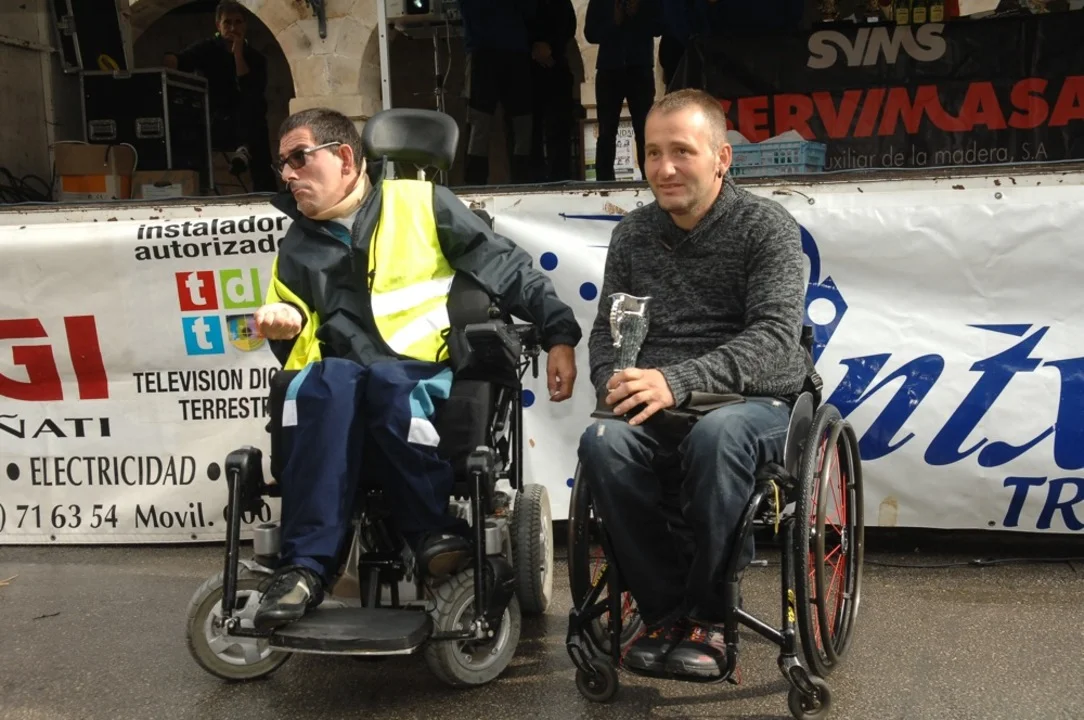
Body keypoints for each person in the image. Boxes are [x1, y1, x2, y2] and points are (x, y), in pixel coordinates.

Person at [251, 107, 581, 629]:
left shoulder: (421, 203)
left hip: (415, 366)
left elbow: (507, 267)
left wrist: (558, 331)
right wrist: (285, 324)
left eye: (298, 158)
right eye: (282, 164)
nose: (287, 174)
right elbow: (295, 339)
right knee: (324, 385)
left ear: (343, 157)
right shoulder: (297, 243)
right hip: (338, 378)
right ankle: (306, 568)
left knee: (386, 385)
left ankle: (431, 532)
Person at [577, 89, 808, 678]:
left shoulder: (766, 228)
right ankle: (662, 612)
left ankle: (710, 617)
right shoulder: (634, 234)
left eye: (682, 151)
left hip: (755, 400)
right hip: (658, 398)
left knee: (717, 437)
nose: (665, 168)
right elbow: (607, 331)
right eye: (653, 153)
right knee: (602, 442)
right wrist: (613, 378)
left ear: (721, 158)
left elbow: (775, 336)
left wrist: (675, 380)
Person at [165, 0, 277, 192]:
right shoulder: (207, 48)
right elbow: (182, 61)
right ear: (218, 25)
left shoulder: (257, 58)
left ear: (245, 25)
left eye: (238, 22)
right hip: (214, 122)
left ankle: (264, 189)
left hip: (248, 122)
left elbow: (250, 87)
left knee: (254, 113)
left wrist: (238, 53)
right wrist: (169, 60)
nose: (233, 28)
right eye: (228, 22)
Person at [458, 0, 537, 185]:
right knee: (479, 121)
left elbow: (530, 10)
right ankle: (475, 183)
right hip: (483, 52)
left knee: (522, 121)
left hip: (514, 51)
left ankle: (522, 179)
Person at [584, 0, 663, 181]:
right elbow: (590, 33)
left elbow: (659, 26)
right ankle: (604, 183)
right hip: (609, 68)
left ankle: (649, 180)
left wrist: (638, 13)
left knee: (644, 129)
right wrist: (614, 22)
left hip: (640, 68)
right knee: (606, 130)